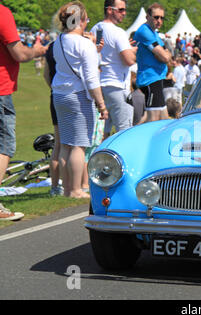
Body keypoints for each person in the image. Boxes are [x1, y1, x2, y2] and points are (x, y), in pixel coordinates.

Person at [51, 1, 108, 199]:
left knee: (66, 144)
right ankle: (76, 189)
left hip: (59, 94)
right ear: (80, 20)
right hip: (77, 96)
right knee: (79, 145)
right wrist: (101, 104)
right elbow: (92, 79)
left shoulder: (59, 40)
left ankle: (67, 189)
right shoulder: (85, 44)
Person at [0, 3, 48, 220]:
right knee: (5, 146)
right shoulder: (2, 12)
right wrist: (36, 51)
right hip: (1, 89)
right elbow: (19, 53)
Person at [90, 0, 136, 134]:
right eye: (121, 10)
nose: (124, 13)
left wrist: (126, 48)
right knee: (125, 133)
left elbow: (101, 50)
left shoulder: (96, 29)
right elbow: (129, 60)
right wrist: (133, 51)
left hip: (99, 88)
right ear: (110, 10)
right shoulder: (118, 32)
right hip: (117, 87)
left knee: (102, 134)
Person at [134, 3, 172, 122]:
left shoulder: (155, 33)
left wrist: (164, 54)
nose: (159, 20)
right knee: (153, 120)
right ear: (148, 17)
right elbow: (165, 57)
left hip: (157, 78)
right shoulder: (145, 32)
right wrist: (164, 54)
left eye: (161, 18)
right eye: (156, 17)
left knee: (164, 118)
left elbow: (166, 55)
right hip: (150, 79)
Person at [43, 40, 64, 196]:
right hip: (71, 95)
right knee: (71, 146)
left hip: (55, 95)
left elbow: (46, 74)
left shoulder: (52, 45)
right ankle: (70, 184)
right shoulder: (75, 42)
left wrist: (54, 89)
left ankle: (55, 185)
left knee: (58, 144)